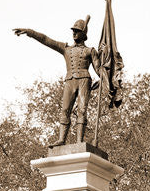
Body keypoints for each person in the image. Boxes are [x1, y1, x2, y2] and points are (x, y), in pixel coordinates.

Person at [13, 17, 100, 146]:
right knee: (65, 110)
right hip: (70, 81)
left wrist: (101, 78)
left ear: (83, 33)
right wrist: (29, 32)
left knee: (82, 110)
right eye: (73, 31)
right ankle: (61, 140)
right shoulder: (66, 49)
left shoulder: (90, 51)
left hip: (84, 80)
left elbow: (99, 70)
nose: (74, 33)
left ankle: (79, 142)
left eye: (77, 31)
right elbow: (46, 40)